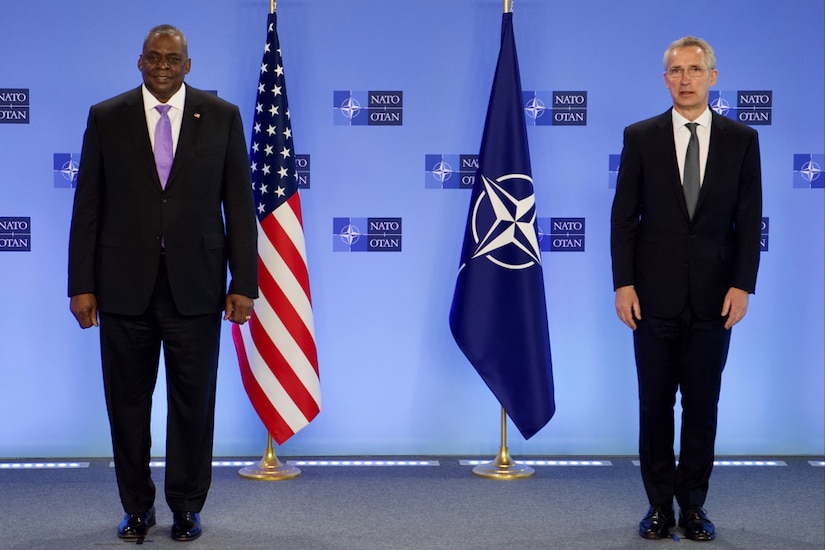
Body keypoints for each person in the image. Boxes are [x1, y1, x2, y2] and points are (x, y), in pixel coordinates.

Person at [68, 24, 258, 542]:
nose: (162, 67)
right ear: (139, 62)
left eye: (172, 59)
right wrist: (80, 284)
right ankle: (136, 507)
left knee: (193, 404)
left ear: (188, 65)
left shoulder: (221, 117)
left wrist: (244, 282)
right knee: (126, 403)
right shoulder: (107, 117)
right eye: (153, 58)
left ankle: (187, 506)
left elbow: (240, 207)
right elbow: (87, 206)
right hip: (123, 289)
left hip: (196, 288)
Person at [610, 36, 762, 541]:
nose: (684, 79)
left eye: (694, 70)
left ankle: (693, 507)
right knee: (654, 406)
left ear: (712, 77)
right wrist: (624, 284)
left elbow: (747, 220)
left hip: (715, 300)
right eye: (675, 70)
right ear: (665, 78)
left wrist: (743, 286)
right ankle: (658, 507)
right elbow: (623, 221)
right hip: (651, 299)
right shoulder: (641, 136)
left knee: (702, 405)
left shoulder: (742, 139)